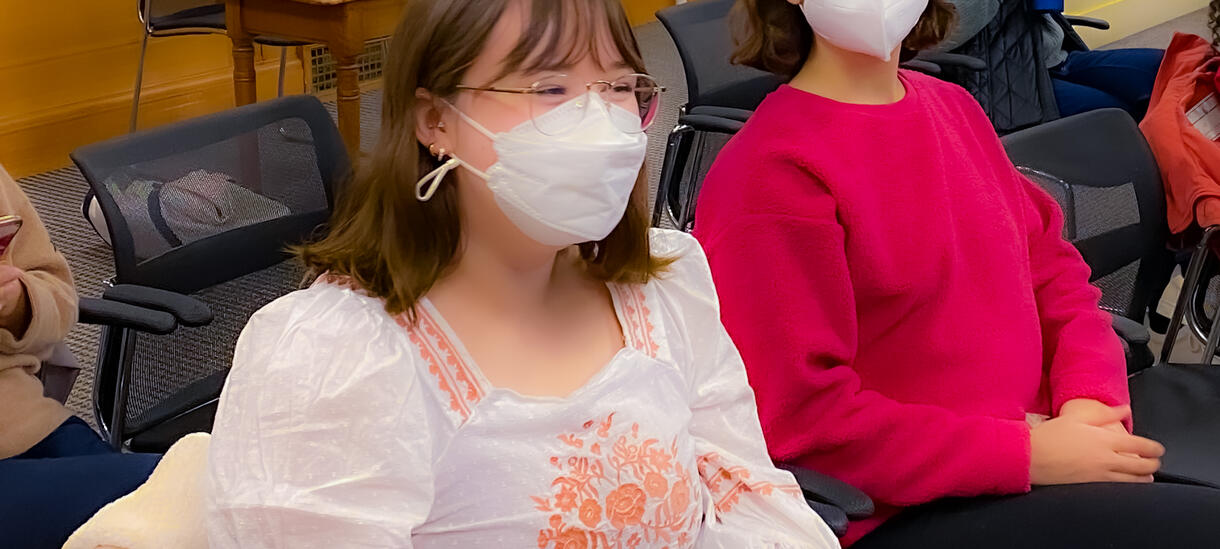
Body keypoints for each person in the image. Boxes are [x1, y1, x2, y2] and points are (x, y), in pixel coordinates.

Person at [204, 1, 839, 547]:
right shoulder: (332, 360)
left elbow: (750, 494)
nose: (601, 126)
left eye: (619, 88)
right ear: (436, 121)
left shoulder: (665, 285)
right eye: (549, 89)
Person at [694, 0, 1220, 547]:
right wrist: (1024, 453)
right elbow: (804, 423)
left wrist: (1090, 400)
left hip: (1051, 450)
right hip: (912, 505)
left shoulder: (953, 107)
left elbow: (1056, 274)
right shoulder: (769, 174)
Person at [0, 163, 160, 549]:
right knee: (177, 500)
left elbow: (58, 293)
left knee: (190, 500)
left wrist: (18, 302)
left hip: (28, 420)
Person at [942, 0, 1163, 121]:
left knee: (1166, 67)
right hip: (1000, 79)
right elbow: (928, 39)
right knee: (1119, 119)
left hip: (1053, 55)